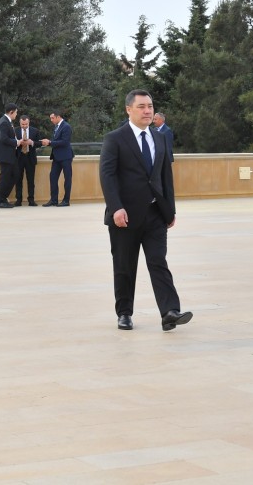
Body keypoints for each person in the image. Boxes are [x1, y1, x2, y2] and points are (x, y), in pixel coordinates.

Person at [99, 89, 192, 332]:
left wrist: (170, 210)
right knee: (124, 266)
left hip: (155, 214)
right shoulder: (115, 138)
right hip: (125, 216)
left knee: (158, 262)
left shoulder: (160, 138)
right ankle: (124, 313)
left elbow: (165, 175)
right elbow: (107, 176)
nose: (147, 111)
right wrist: (116, 208)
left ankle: (170, 312)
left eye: (150, 106)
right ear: (128, 109)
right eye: (141, 107)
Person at [41, 109, 74, 206]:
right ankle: (54, 200)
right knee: (53, 177)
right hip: (56, 157)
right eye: (50, 118)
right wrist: (49, 142)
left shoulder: (66, 126)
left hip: (66, 157)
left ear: (58, 117)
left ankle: (66, 200)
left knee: (67, 179)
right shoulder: (57, 126)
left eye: (52, 118)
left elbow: (65, 142)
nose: (51, 120)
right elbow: (57, 140)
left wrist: (50, 142)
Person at [0, 103, 20, 209]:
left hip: (9, 155)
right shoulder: (4, 122)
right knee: (5, 177)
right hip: (5, 155)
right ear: (11, 112)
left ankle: (3, 198)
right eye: (16, 112)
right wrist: (16, 142)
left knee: (15, 174)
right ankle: (0, 201)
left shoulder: (7, 121)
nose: (16, 114)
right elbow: (3, 138)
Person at [14, 115, 43, 206]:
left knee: (30, 180)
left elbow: (40, 143)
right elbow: (11, 143)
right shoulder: (15, 131)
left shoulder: (35, 131)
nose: (24, 126)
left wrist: (32, 142)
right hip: (18, 158)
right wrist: (18, 143)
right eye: (22, 124)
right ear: (20, 123)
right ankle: (18, 200)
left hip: (30, 158)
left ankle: (31, 200)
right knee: (18, 180)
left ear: (29, 122)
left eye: (26, 124)